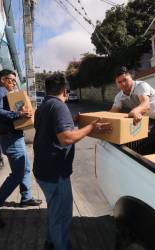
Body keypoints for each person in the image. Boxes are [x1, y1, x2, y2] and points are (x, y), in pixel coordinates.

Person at [33, 73, 111, 250]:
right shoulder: (59, 107)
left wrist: (72, 121)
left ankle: (51, 242)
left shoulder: (43, 106)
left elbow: (51, 130)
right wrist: (91, 127)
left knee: (54, 209)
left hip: (43, 169)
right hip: (55, 173)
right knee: (62, 215)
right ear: (64, 90)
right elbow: (66, 138)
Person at [0, 69, 42, 228]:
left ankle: (26, 197)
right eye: (10, 80)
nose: (13, 83)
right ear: (2, 79)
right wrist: (18, 115)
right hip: (10, 137)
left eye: (14, 80)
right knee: (18, 174)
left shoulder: (6, 93)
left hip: (15, 135)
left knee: (25, 167)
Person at [110, 66, 155, 153]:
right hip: (154, 118)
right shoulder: (119, 97)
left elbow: (145, 104)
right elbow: (112, 113)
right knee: (152, 139)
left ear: (131, 78)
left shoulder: (141, 85)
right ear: (116, 84)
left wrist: (135, 111)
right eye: (119, 82)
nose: (123, 84)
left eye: (125, 80)